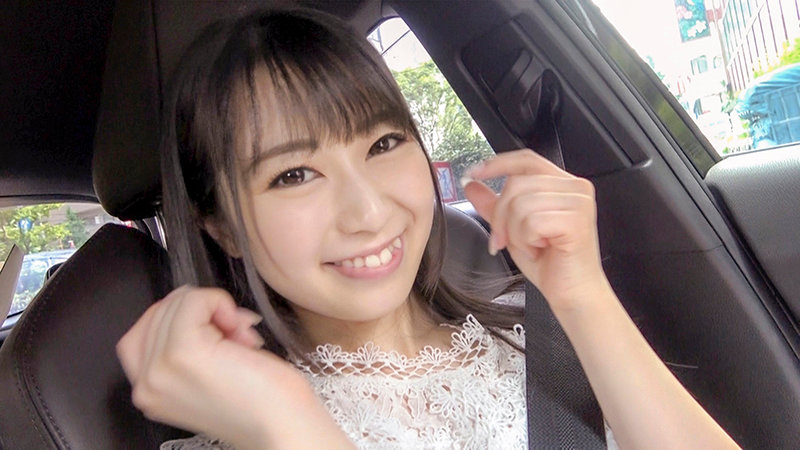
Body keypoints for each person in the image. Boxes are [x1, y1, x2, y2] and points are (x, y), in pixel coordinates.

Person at [115, 8, 740, 450]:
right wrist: (286, 426)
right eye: (294, 175)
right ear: (221, 228)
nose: (369, 212)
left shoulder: (534, 341)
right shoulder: (245, 425)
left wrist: (582, 295)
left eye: (383, 144)